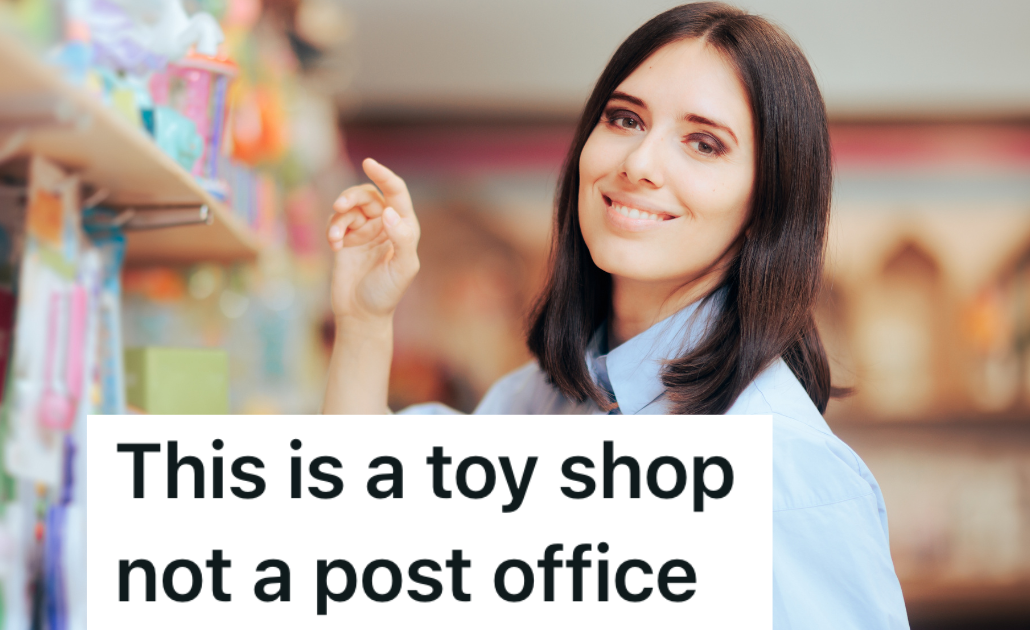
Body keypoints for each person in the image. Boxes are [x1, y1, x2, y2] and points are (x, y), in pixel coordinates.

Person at [321, 2, 909, 627]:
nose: (638, 164)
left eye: (704, 143)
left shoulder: (783, 471)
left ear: (769, 201)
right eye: (625, 119)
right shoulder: (544, 400)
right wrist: (363, 320)